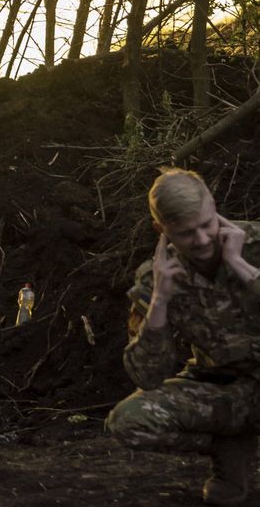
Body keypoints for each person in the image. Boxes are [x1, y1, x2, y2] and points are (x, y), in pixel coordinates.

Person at [106, 167, 260, 505]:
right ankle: (229, 446)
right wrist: (160, 300)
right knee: (129, 421)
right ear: (162, 230)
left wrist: (242, 267)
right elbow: (147, 376)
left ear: (214, 207)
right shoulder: (156, 278)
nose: (203, 240)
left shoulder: (255, 244)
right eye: (187, 233)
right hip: (223, 394)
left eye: (207, 225)